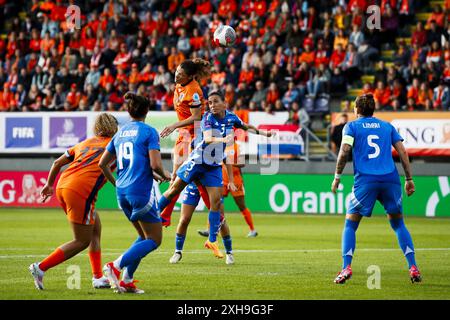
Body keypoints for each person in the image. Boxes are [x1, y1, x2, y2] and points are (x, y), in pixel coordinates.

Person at [158, 90, 272, 258]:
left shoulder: (232, 118)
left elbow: (247, 127)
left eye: (215, 101)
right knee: (174, 189)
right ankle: (154, 213)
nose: (212, 105)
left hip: (212, 167)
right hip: (197, 161)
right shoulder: (207, 118)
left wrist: (264, 134)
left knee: (216, 203)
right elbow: (209, 138)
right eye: (209, 103)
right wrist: (224, 140)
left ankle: (212, 240)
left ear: (224, 103)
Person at [331, 94, 421, 284]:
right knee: (398, 225)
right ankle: (413, 267)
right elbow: (402, 151)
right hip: (390, 179)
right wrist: (409, 179)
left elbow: (344, 151)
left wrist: (337, 176)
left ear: (357, 110)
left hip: (366, 181)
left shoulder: (352, 126)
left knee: (350, 224)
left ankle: (346, 267)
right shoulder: (387, 126)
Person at [29, 113, 119, 291]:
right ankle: (40, 268)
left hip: (62, 185)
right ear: (114, 127)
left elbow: (56, 163)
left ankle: (98, 278)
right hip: (80, 190)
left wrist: (48, 185)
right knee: (82, 240)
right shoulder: (114, 145)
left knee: (95, 229)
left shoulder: (85, 143)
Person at [99, 93, 171, 294]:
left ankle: (127, 280)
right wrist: (166, 174)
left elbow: (102, 164)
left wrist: (117, 183)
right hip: (140, 192)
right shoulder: (149, 131)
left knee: (142, 235)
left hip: (122, 193)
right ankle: (115, 266)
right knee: (154, 239)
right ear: (147, 111)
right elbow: (155, 164)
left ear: (129, 111)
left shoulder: (120, 133)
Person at [159, 58, 212, 227]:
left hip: (194, 136)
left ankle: (217, 218)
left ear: (190, 76)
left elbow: (197, 117)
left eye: (181, 75)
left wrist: (174, 125)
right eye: (177, 72)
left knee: (194, 180)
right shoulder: (180, 85)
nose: (177, 76)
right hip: (183, 135)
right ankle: (165, 216)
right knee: (176, 178)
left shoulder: (194, 90)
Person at [197, 142, 258, 238]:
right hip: (221, 180)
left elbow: (242, 163)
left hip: (236, 180)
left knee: (241, 206)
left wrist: (228, 161)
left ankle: (252, 230)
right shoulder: (220, 145)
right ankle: (210, 229)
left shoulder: (237, 146)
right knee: (215, 203)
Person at [169, 182, 235, 265]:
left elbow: (229, 167)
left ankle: (229, 252)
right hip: (194, 185)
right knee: (184, 219)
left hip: (212, 183)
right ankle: (177, 252)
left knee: (220, 219)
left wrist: (231, 179)